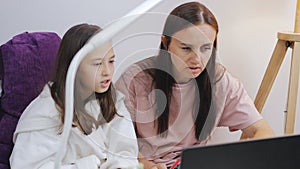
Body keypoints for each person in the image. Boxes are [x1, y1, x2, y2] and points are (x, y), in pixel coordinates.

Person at [115, 2, 275, 169]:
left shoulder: (220, 82)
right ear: (165, 43)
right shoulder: (135, 79)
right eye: (186, 48)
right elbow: (114, 143)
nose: (197, 59)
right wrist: (146, 165)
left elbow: (262, 131)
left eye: (206, 48)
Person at [10, 23, 140, 169]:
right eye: (97, 64)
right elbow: (27, 166)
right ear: (73, 66)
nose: (107, 71)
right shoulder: (45, 113)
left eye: (111, 61)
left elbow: (126, 154)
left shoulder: (113, 102)